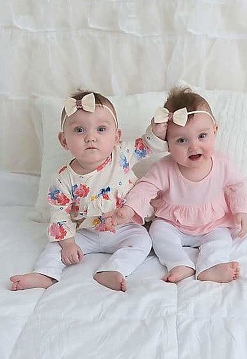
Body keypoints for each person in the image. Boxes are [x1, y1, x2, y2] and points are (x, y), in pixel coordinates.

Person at [10, 91, 166, 291]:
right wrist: (68, 244)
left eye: (101, 129)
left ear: (117, 136)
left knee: (143, 242)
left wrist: (157, 130)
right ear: (64, 140)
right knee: (53, 247)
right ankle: (45, 273)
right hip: (85, 232)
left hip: (124, 228)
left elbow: (147, 144)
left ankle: (112, 270)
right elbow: (59, 214)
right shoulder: (62, 179)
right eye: (79, 130)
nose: (91, 137)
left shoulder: (123, 155)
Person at [108, 87, 247, 284]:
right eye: (182, 140)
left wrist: (240, 211)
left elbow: (237, 185)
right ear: (168, 144)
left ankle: (211, 266)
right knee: (157, 232)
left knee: (221, 239)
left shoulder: (222, 164)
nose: (193, 146)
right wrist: (128, 208)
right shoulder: (165, 167)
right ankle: (178, 263)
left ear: (215, 131)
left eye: (202, 136)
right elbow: (145, 187)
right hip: (173, 224)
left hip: (213, 223)